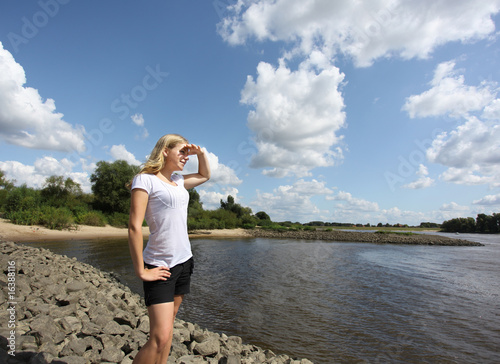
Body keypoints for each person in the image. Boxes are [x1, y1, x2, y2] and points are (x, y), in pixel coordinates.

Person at [128, 134, 210, 363]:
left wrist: (201, 154)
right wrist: (141, 271)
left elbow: (205, 175)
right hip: (160, 265)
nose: (186, 157)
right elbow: (134, 227)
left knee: (170, 324)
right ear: (165, 151)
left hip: (184, 262)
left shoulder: (179, 181)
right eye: (181, 152)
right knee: (160, 337)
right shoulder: (145, 179)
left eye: (187, 153)